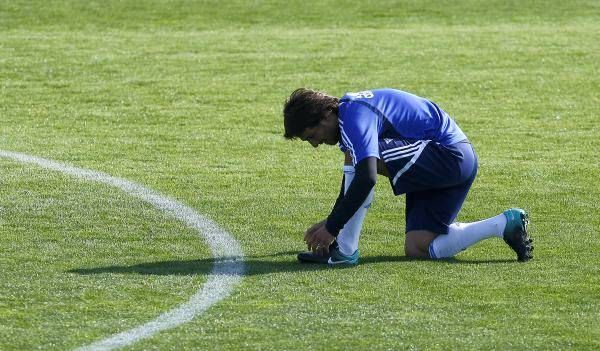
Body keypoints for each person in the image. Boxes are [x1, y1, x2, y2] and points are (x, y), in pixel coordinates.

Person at [282, 88, 533, 265]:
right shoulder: (350, 114)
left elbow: (366, 177)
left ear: (326, 113)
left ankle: (346, 251)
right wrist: (333, 222)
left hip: (448, 155)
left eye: (312, 135)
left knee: (357, 156)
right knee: (419, 247)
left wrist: (333, 227)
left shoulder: (353, 116)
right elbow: (356, 179)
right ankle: (503, 224)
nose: (315, 144)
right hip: (453, 163)